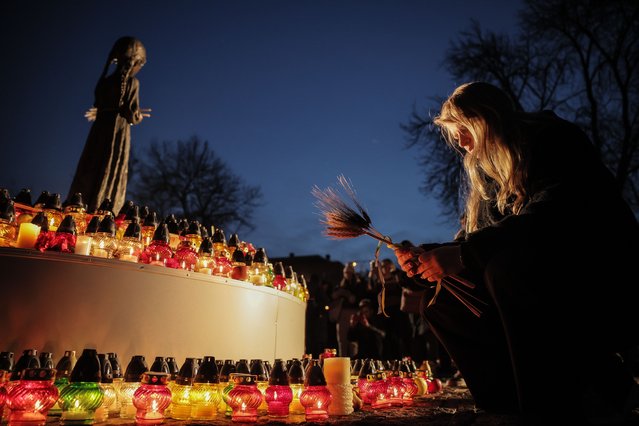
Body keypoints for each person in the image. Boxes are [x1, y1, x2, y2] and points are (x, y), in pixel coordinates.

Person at [393, 82, 639, 424]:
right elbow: (476, 240)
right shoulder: (489, 177)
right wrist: (431, 260)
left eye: (464, 130)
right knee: (445, 304)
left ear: (486, 118)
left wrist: (465, 254)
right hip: (531, 273)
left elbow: (555, 215)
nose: (462, 143)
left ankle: (555, 402)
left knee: (507, 270)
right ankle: (503, 403)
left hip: (598, 278)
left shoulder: (552, 141)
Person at [68, 36, 151, 215]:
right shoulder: (132, 83)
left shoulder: (105, 82)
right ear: (136, 61)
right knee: (112, 167)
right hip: (118, 131)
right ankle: (103, 211)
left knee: (91, 164)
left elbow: (99, 104)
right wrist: (138, 116)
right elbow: (131, 113)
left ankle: (77, 206)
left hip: (99, 131)